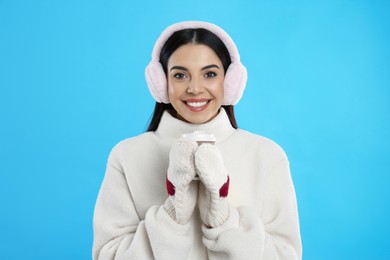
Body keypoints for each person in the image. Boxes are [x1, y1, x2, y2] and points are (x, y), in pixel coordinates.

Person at [93, 21, 302, 259]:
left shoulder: (267, 155)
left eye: (210, 74)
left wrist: (225, 221)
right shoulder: (127, 156)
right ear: (161, 83)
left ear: (230, 81)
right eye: (180, 75)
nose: (194, 88)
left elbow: (287, 255)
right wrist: (171, 217)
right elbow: (107, 255)